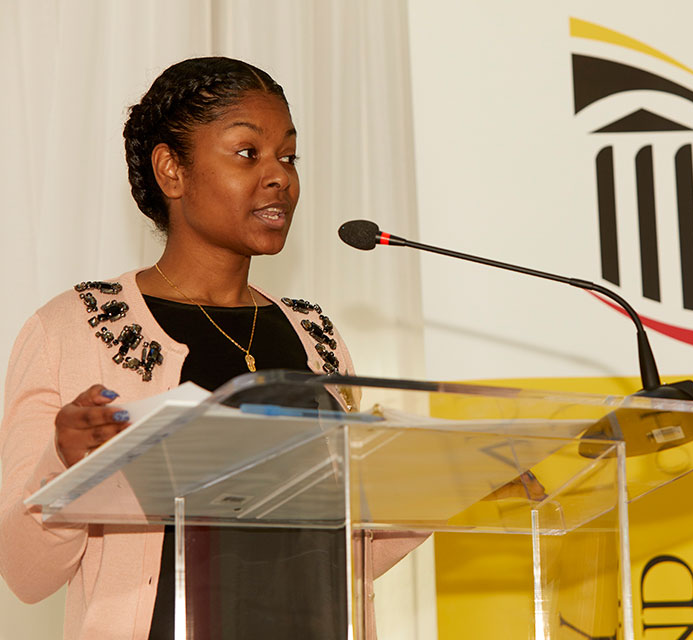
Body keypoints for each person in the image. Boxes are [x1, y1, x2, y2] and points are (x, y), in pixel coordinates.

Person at [0, 56, 420, 640]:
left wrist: (451, 486)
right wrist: (64, 464)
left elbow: (344, 555)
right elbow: (25, 573)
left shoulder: (314, 333)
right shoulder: (71, 330)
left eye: (289, 156)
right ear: (172, 170)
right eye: (248, 153)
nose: (280, 177)